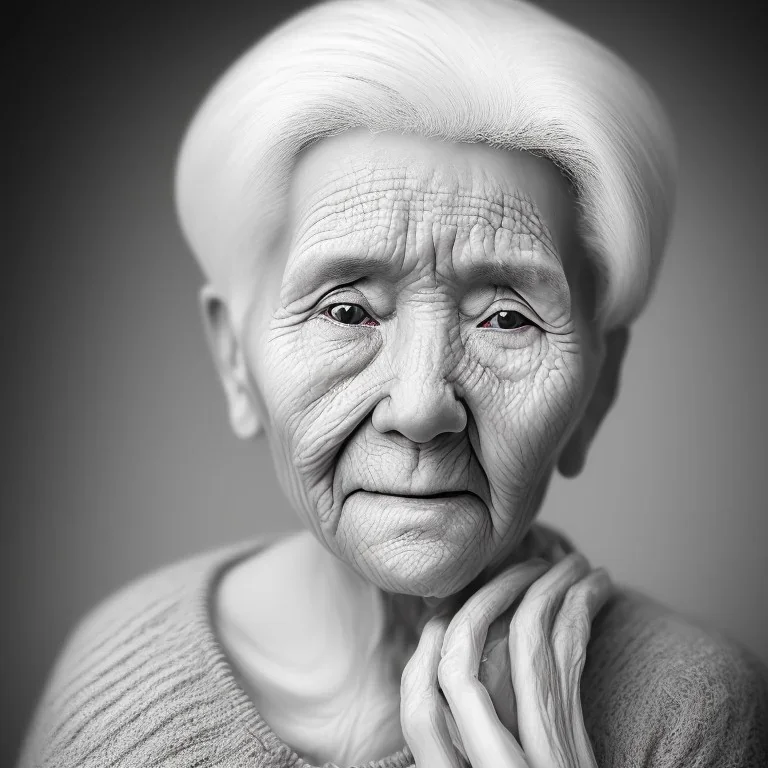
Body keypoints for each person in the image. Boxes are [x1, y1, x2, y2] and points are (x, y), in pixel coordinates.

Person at [16, 1, 768, 766]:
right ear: (234, 361)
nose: (420, 407)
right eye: (347, 310)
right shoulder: (115, 679)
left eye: (507, 319)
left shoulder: (690, 715)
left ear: (596, 393)